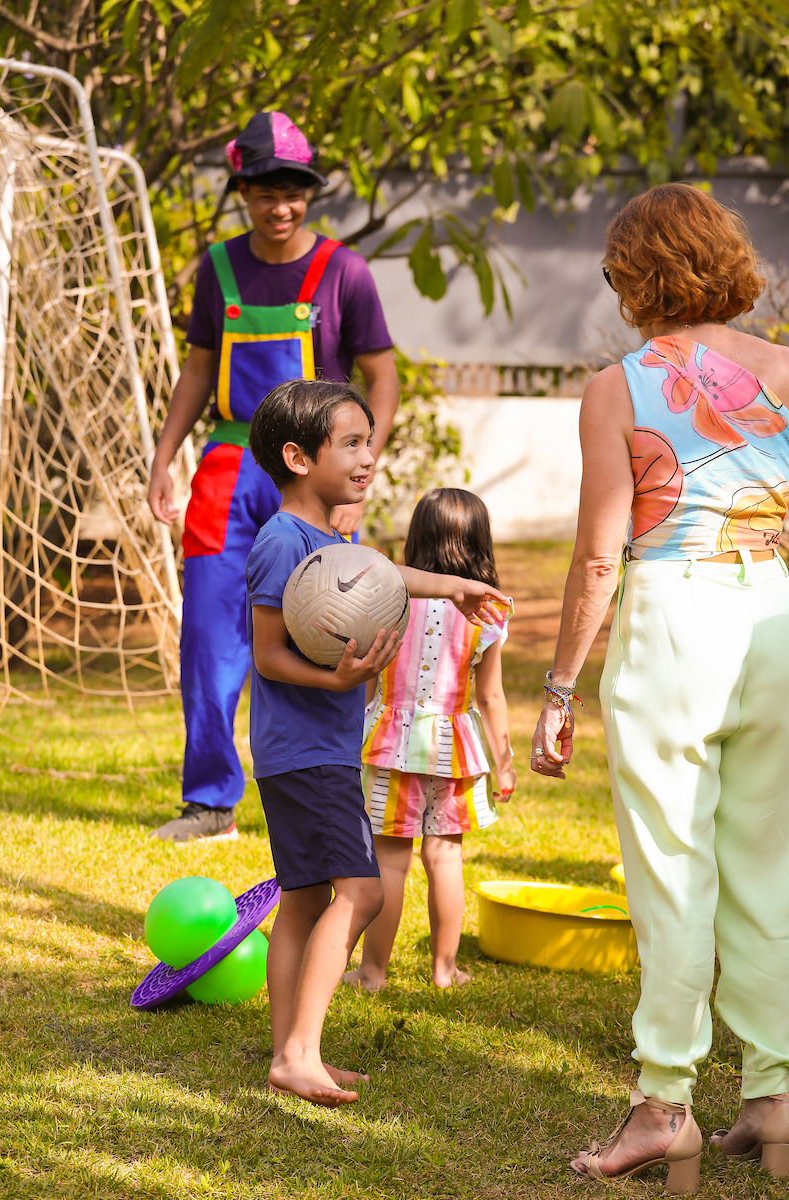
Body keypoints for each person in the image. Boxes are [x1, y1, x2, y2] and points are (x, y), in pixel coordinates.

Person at [529, 182, 789, 1191]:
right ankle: (772, 1096)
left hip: (675, 618)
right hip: (774, 617)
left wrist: (558, 689)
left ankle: (662, 1105)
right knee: (766, 868)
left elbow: (599, 557)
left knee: (671, 872)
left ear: (633, 275)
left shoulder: (619, 386)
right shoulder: (784, 370)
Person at [246, 379, 508, 1107]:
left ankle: (291, 1052)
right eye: (352, 443)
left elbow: (385, 575)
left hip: (310, 750)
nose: (369, 457)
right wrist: (338, 684)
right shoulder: (280, 543)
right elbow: (267, 655)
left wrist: (451, 585)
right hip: (307, 752)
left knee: (301, 901)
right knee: (358, 892)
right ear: (298, 457)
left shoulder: (332, 540)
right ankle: (299, 1052)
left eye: (368, 441)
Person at [148, 111, 398, 843]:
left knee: (325, 625)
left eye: (293, 191)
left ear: (309, 192)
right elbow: (199, 367)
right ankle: (211, 802)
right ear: (242, 191)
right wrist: (165, 457)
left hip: (315, 477)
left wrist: (358, 467)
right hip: (227, 467)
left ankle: (319, 781)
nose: (280, 206)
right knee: (209, 632)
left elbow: (381, 376)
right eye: (264, 191)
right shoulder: (217, 268)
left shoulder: (343, 271)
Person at [344, 488, 517, 990]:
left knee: (390, 864)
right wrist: (502, 761)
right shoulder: (488, 613)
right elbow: (492, 697)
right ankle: (445, 969)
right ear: (482, 544)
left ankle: (373, 971)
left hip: (390, 745)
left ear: (416, 539)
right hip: (455, 752)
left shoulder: (389, 600)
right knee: (445, 859)